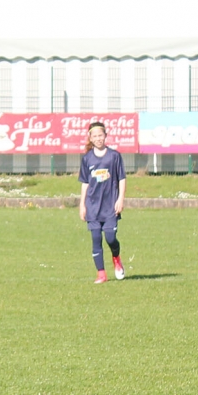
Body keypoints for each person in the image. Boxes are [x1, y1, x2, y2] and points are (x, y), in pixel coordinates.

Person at [79, 121, 126, 284]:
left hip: (110, 205)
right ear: (90, 138)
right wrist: (82, 204)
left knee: (111, 238)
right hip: (92, 206)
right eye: (95, 136)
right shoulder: (87, 159)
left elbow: (122, 178)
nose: (98, 138)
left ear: (105, 136)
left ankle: (116, 257)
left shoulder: (114, 156)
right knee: (96, 238)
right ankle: (101, 274)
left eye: (101, 135)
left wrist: (120, 199)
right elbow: (85, 183)